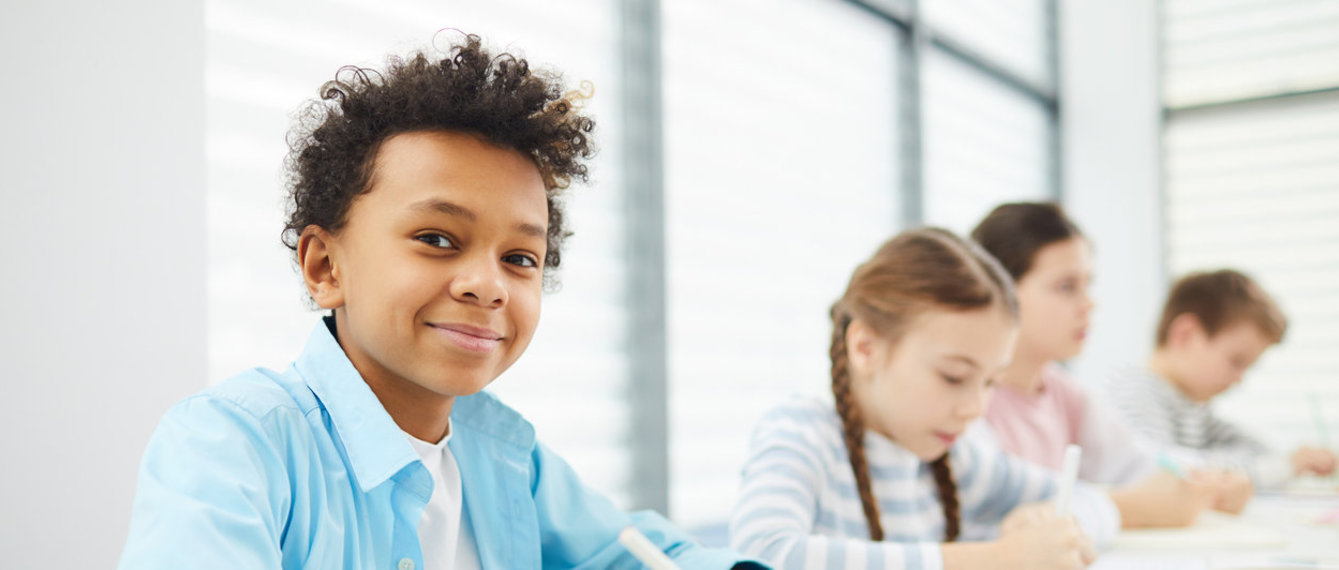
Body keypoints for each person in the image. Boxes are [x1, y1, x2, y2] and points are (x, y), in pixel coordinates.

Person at [119, 33, 761, 569]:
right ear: (325, 267)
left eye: (520, 259)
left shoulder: (505, 456)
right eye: (436, 238)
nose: (488, 285)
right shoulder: (231, 446)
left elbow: (648, 554)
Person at [730, 227, 1116, 570]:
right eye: (954, 377)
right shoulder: (802, 434)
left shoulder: (959, 461)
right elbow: (762, 556)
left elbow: (1096, 503)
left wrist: (1049, 520)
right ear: (866, 347)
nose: (975, 409)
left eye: (989, 383)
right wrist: (995, 560)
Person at [971, 202, 1229, 522]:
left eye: (1087, 284)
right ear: (999, 289)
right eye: (1066, 287)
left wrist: (1210, 479)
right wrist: (1128, 507)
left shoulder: (1067, 395)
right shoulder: (966, 400)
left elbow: (1137, 461)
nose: (1088, 305)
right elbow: (994, 508)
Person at [1106, 268, 1337, 489]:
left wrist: (1293, 461)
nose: (1239, 379)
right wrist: (1276, 468)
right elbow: (1160, 468)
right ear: (1186, 334)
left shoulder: (1192, 409)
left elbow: (1260, 452)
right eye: (1236, 361)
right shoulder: (1134, 391)